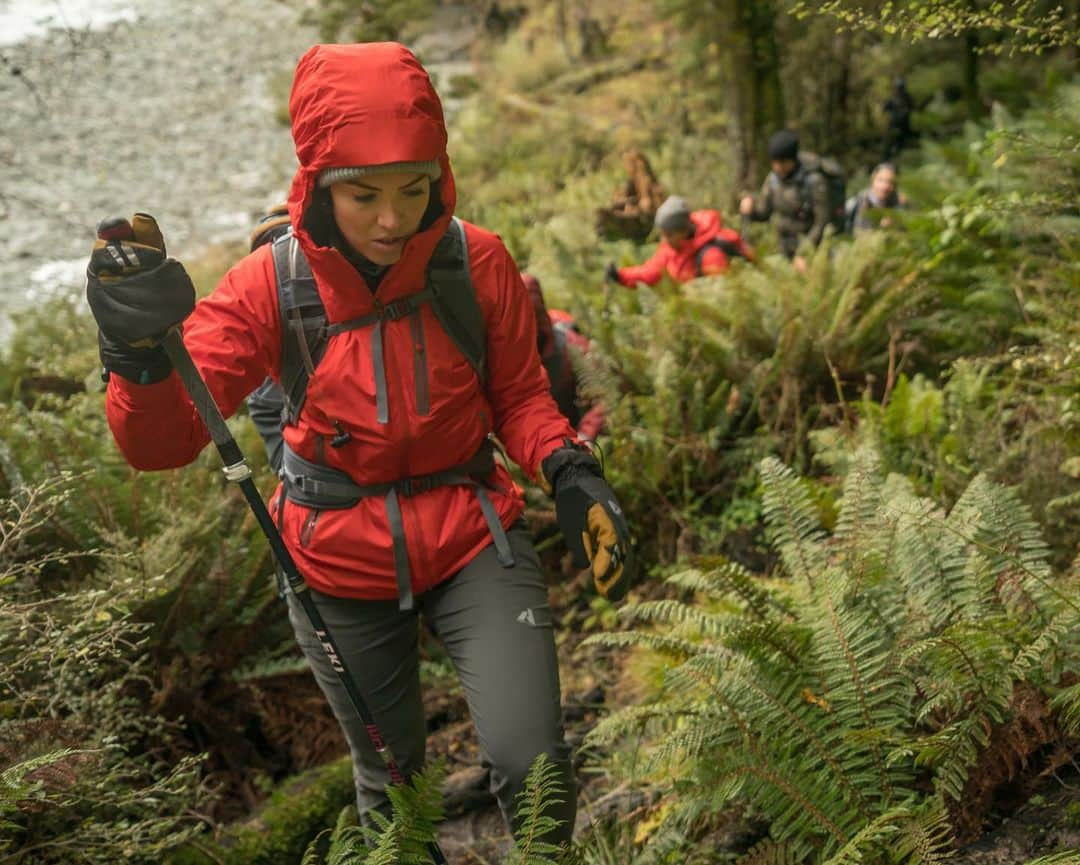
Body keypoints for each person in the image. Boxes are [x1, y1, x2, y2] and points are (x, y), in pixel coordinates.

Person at [85, 42, 637, 847]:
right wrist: (136, 358)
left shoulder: (473, 263)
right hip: (334, 564)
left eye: (414, 190)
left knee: (535, 759)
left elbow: (518, 396)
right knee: (395, 784)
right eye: (362, 194)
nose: (391, 218)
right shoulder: (269, 285)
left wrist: (568, 466)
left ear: (438, 176)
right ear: (316, 186)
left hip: (472, 536)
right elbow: (164, 441)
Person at [521, 272, 605, 441]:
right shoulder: (501, 352)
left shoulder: (574, 347)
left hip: (572, 435)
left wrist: (585, 437)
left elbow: (604, 397)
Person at [604, 194, 753, 288]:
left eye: (668, 235)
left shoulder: (712, 255)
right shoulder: (672, 247)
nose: (664, 240)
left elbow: (723, 299)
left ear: (683, 231)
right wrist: (621, 275)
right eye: (662, 234)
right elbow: (651, 271)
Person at [739, 129, 831, 272]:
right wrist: (750, 210)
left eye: (782, 162)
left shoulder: (814, 182)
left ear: (792, 160)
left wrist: (805, 253)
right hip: (784, 249)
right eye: (774, 162)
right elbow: (764, 213)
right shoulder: (773, 180)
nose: (778, 167)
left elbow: (822, 222)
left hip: (811, 248)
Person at [845, 162, 909, 234]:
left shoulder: (900, 205)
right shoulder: (855, 204)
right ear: (872, 180)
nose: (884, 186)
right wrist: (880, 229)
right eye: (880, 180)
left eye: (890, 182)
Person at [882, 77, 916, 163]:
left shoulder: (906, 98)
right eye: (898, 87)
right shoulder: (894, 98)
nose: (899, 89)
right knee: (890, 141)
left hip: (903, 123)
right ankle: (887, 159)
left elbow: (912, 107)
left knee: (901, 140)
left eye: (900, 87)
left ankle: (896, 156)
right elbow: (885, 108)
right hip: (894, 123)